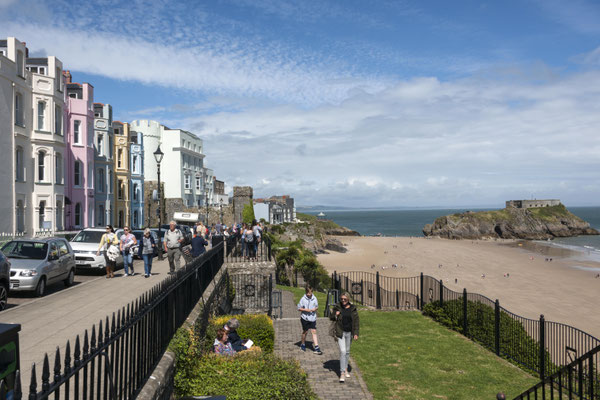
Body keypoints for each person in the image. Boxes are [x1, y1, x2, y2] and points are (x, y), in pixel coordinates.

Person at [330, 292, 359, 382]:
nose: (343, 301)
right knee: (342, 351)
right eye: (341, 299)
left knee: (347, 352)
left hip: (349, 333)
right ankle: (342, 373)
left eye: (344, 299)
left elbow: (356, 322)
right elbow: (331, 317)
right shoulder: (338, 307)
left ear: (348, 299)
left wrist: (356, 333)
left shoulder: (353, 308)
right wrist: (336, 315)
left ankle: (346, 368)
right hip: (340, 332)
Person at [297, 285, 322, 355]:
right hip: (304, 318)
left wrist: (314, 309)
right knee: (305, 331)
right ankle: (302, 344)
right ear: (306, 292)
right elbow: (299, 308)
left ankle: (317, 347)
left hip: (312, 318)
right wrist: (306, 310)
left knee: (313, 331)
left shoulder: (314, 298)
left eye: (310, 293)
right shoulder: (303, 299)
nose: (309, 294)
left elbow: (317, 306)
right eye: (308, 293)